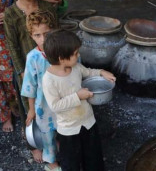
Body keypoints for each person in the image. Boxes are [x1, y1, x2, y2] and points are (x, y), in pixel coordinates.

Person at [3, 0, 58, 162]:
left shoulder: (46, 7)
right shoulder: (11, 14)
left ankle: (52, 138)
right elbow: (12, 46)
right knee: (30, 109)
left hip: (49, 66)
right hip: (27, 72)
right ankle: (34, 144)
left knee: (52, 104)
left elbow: (56, 35)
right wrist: (21, 73)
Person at [42, 29, 116, 171]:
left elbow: (88, 72)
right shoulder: (49, 80)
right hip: (68, 129)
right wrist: (77, 97)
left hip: (88, 122)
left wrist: (101, 72)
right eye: (75, 54)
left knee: (93, 158)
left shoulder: (75, 67)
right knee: (71, 162)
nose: (78, 55)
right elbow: (55, 105)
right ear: (61, 58)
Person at [21, 10, 60, 171]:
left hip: (63, 99)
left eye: (47, 33)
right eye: (37, 35)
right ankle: (52, 163)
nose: (43, 39)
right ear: (31, 36)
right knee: (47, 133)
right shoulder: (33, 57)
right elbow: (30, 86)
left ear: (54, 30)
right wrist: (31, 110)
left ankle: (62, 149)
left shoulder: (61, 51)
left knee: (63, 128)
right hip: (43, 104)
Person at [0, 0, 17, 132]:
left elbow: (24, 5)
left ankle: (24, 115)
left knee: (12, 79)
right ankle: (6, 117)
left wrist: (8, 14)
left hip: (6, 40)